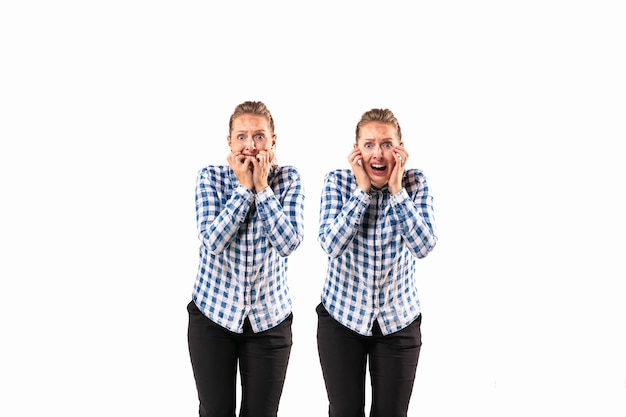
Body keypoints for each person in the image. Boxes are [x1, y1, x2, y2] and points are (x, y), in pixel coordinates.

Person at [315, 108, 438, 417]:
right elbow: (330, 244)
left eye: (386, 143)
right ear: (357, 150)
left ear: (400, 148)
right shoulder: (338, 183)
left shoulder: (415, 183)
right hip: (342, 320)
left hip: (398, 322)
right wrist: (361, 192)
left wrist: (397, 190)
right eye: (369, 144)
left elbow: (424, 246)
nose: (378, 154)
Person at [187, 100, 305, 417]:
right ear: (229, 142)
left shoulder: (289, 180)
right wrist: (243, 188)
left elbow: (289, 243)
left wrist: (263, 188)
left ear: (273, 141)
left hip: (270, 321)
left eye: (259, 136)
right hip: (213, 318)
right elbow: (213, 241)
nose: (250, 146)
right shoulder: (210, 177)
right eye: (241, 137)